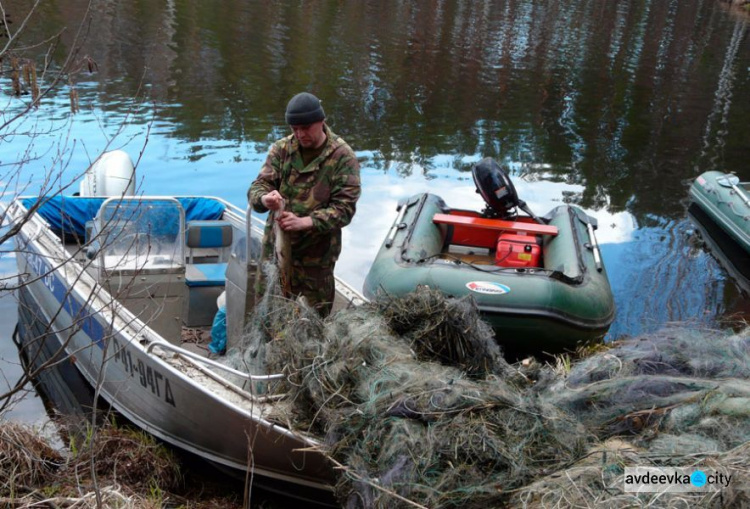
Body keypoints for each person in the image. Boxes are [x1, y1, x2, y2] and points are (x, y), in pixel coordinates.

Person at [248, 92, 361, 317]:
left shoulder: (342, 157)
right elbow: (257, 187)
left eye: (306, 128)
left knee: (311, 324)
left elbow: (344, 209)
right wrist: (264, 199)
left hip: (316, 263)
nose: (300, 134)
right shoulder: (281, 149)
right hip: (275, 255)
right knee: (268, 315)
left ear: (321, 121)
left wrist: (305, 222)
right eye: (294, 128)